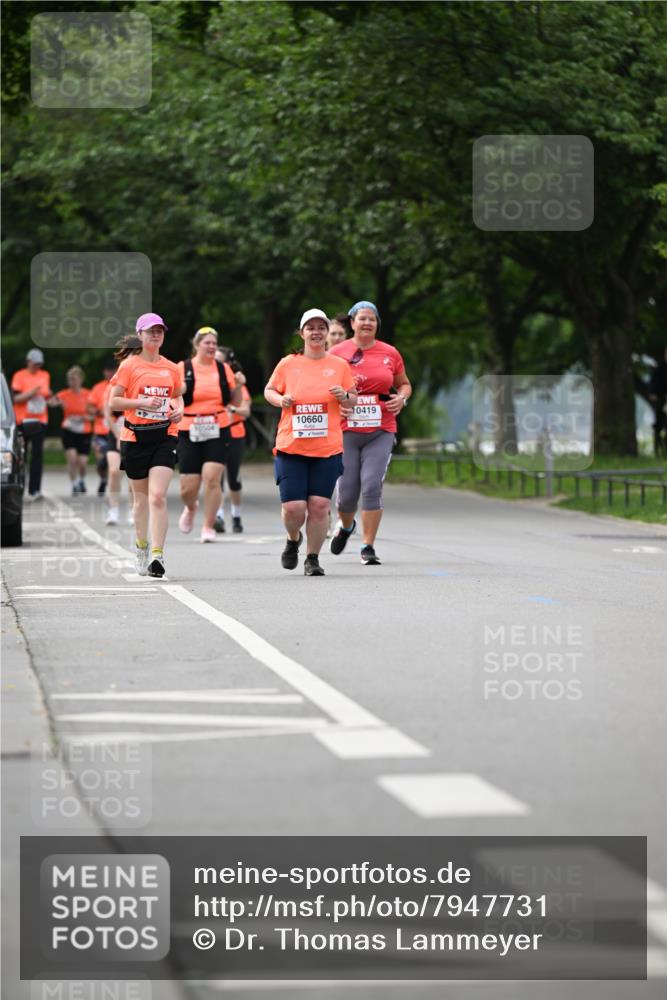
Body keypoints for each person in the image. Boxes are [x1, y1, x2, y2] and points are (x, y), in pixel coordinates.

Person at [264, 308, 356, 576]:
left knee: (319, 506)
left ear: (327, 333)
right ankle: (293, 539)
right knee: (294, 509)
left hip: (327, 448)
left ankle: (312, 559)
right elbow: (269, 390)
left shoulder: (338, 365)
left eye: (321, 327)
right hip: (292, 446)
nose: (316, 332)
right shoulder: (288, 363)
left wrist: (344, 396)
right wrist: (281, 400)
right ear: (302, 332)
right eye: (311, 327)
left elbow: (353, 399)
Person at [328, 300, 412, 565]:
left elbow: (404, 384)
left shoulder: (390, 353)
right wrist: (335, 407)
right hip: (346, 430)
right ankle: (346, 525)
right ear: (351, 323)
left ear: (377, 324)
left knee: (372, 485)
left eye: (372, 319)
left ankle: (368, 546)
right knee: (346, 495)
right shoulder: (337, 353)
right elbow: (323, 387)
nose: (367, 323)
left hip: (381, 429)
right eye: (362, 318)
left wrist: (402, 398)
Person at [108, 313, 184, 578]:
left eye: (160, 331)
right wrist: (141, 403)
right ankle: (141, 547)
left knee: (158, 496)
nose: (156, 335)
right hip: (135, 437)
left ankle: (157, 556)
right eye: (150, 331)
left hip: (165, 436)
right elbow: (113, 403)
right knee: (140, 502)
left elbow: (178, 396)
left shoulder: (172, 367)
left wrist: (179, 411)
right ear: (140, 335)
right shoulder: (129, 366)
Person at [176, 327, 240, 542]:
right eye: (207, 343)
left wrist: (239, 385)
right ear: (196, 345)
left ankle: (208, 526)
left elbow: (236, 402)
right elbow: (172, 395)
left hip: (217, 426)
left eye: (214, 343)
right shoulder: (182, 368)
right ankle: (191, 506)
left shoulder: (223, 369)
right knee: (188, 486)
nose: (212, 346)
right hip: (188, 428)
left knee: (212, 479)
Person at [214, 346, 251, 534]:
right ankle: (218, 515)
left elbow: (246, 411)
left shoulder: (238, 383)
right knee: (216, 476)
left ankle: (236, 515)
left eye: (220, 360)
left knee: (233, 479)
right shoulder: (210, 382)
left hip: (235, 434)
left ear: (229, 363)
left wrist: (233, 410)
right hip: (215, 434)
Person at [10, 347, 53, 500]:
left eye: (39, 364)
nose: (37, 367)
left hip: (39, 421)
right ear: (28, 361)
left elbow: (47, 395)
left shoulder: (45, 375)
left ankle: (35, 489)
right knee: (21, 455)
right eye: (35, 364)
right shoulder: (19, 376)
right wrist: (32, 392)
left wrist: (53, 400)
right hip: (22, 420)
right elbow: (16, 399)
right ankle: (19, 485)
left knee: (37, 455)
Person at [50, 366, 93, 494]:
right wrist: (57, 403)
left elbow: (94, 414)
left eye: (74, 379)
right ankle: (74, 484)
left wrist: (86, 417)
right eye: (69, 380)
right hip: (68, 429)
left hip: (84, 430)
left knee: (83, 462)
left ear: (81, 380)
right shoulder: (64, 394)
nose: (71, 383)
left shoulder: (88, 395)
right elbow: (50, 402)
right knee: (72, 458)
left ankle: (81, 480)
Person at [87, 359, 118, 498]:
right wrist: (98, 412)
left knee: (112, 463)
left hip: (115, 430)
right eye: (107, 370)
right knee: (101, 461)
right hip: (100, 431)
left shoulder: (121, 386)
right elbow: (88, 407)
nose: (109, 373)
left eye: (112, 370)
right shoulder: (98, 388)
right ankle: (103, 478)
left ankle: (109, 480)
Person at [102, 376, 127, 526]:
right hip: (115, 433)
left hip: (134, 433)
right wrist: (118, 436)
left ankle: (133, 508)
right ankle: (113, 509)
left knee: (133, 474)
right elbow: (107, 413)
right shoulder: (112, 386)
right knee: (114, 470)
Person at [648, 347, 667, 457]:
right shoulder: (659, 368)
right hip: (661, 400)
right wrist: (653, 393)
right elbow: (653, 383)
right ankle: (657, 449)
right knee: (658, 425)